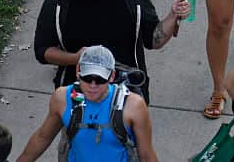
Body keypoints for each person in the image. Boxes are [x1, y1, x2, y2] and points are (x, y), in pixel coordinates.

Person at [33, 0, 190, 102]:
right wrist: (76, 58)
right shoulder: (58, 0)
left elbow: (154, 40)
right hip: (77, 93)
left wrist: (173, 15)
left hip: (127, 93)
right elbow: (42, 51)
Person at [16, 45, 158, 162]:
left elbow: (146, 155)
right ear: (78, 71)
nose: (93, 85)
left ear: (112, 76)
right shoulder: (62, 98)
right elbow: (42, 137)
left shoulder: (133, 106)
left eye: (100, 79)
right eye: (87, 78)